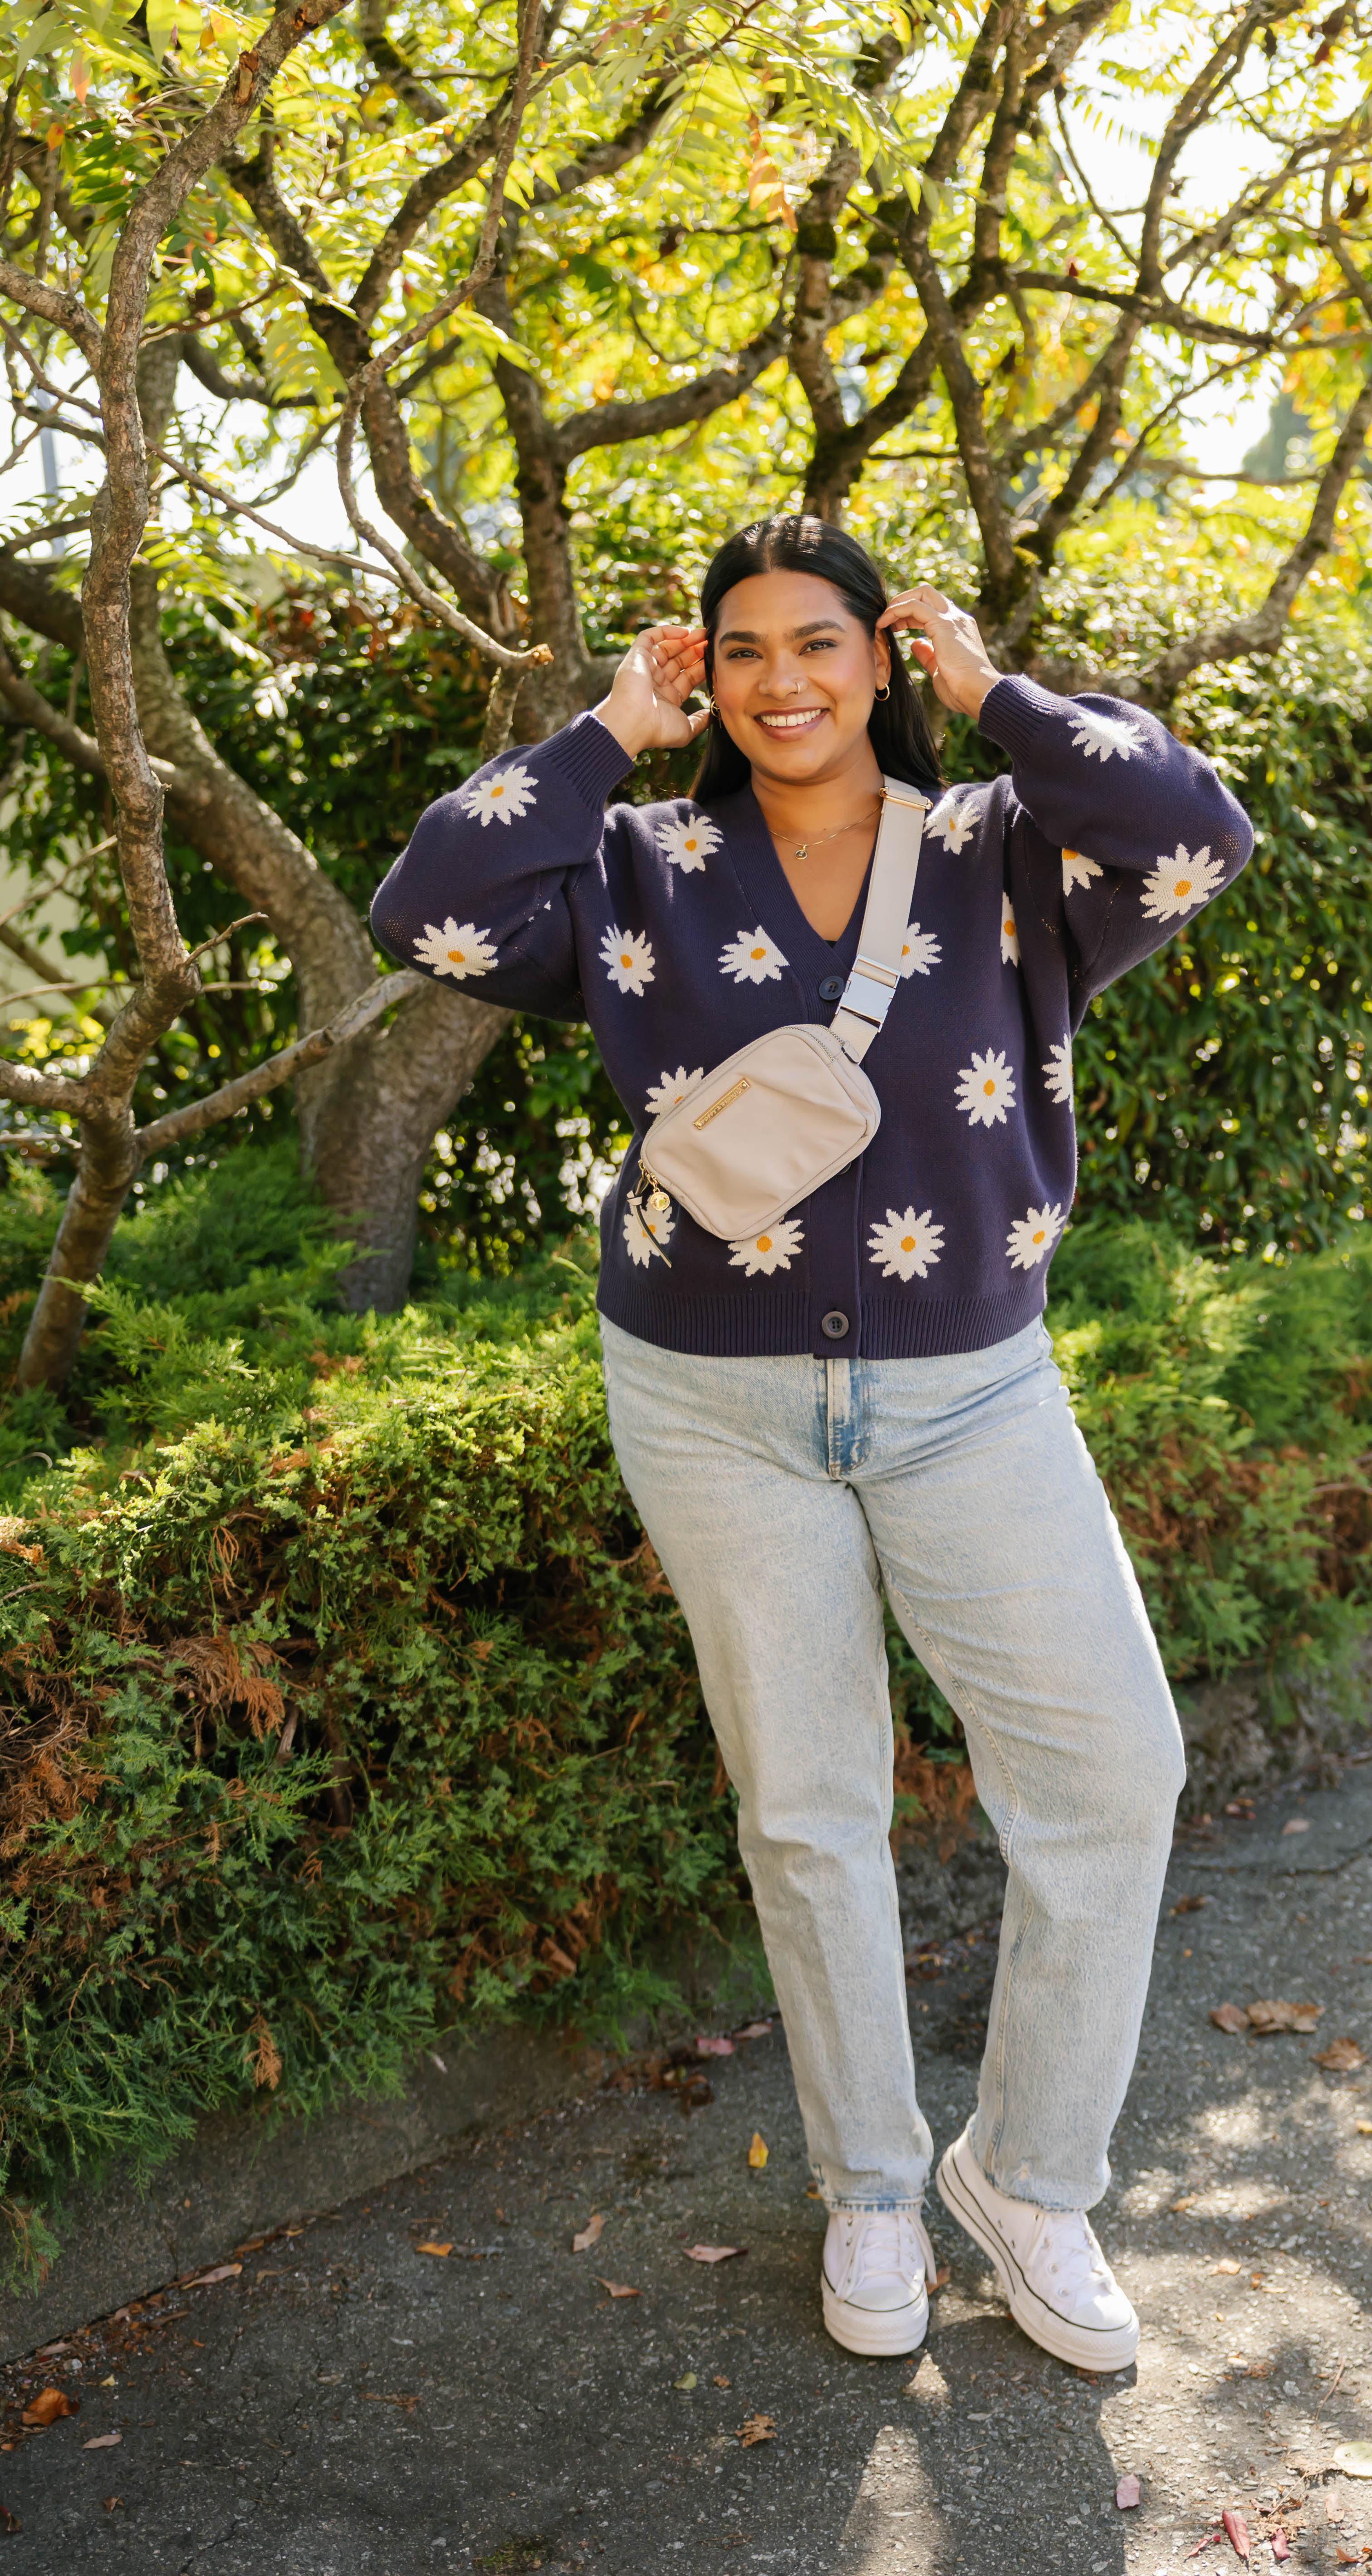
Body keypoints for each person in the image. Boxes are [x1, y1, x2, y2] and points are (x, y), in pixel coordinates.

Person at [372, 515, 1254, 2371]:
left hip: (971, 1394)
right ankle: (869, 2189)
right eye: (743, 650)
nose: (784, 682)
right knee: (809, 1809)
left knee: (1111, 1775)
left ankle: (1031, 2178)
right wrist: (608, 730)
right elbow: (429, 910)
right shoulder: (637, 869)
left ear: (881, 656)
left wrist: (998, 695)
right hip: (714, 1404)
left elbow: (1197, 833)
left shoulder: (1002, 853)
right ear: (706, 671)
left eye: (823, 645)